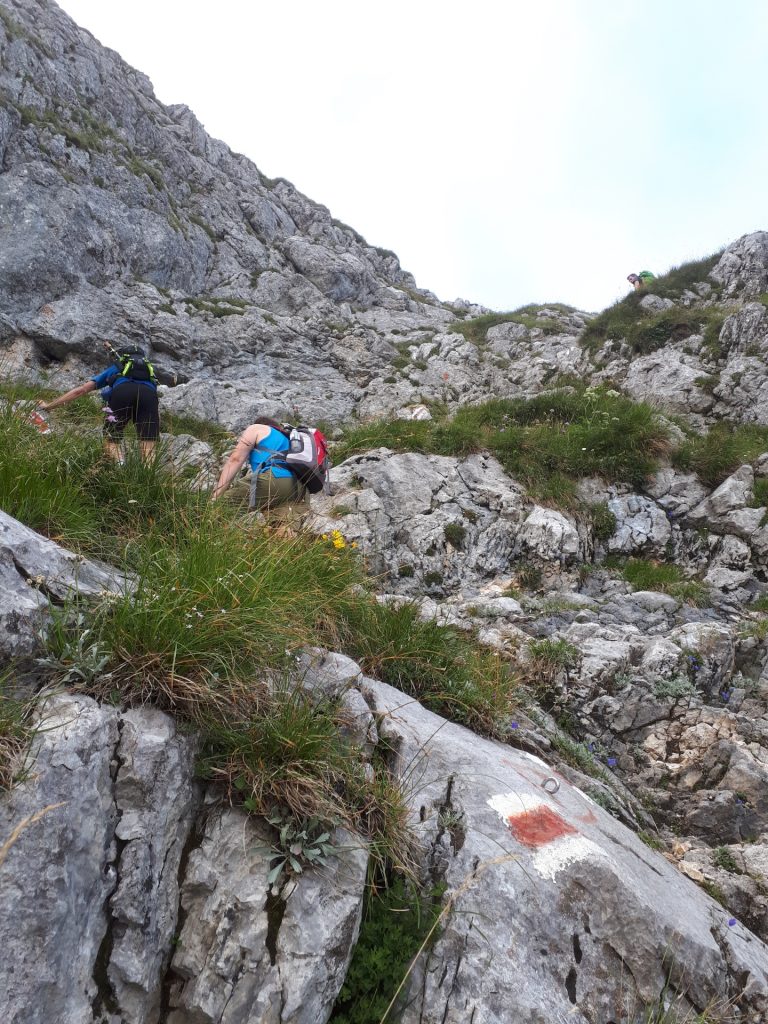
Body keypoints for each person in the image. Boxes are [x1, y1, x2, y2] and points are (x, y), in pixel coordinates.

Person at [38, 342, 160, 463]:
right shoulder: (150, 374)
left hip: (122, 392)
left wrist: (49, 406)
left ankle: (120, 467)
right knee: (148, 445)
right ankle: (147, 478)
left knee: (111, 440)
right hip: (149, 396)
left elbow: (80, 391)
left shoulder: (117, 368)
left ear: (124, 358)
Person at [212, 416, 310, 522]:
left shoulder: (257, 428)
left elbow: (235, 459)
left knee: (220, 507)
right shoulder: (287, 438)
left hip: (275, 480)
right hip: (300, 488)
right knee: (281, 531)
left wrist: (216, 496)